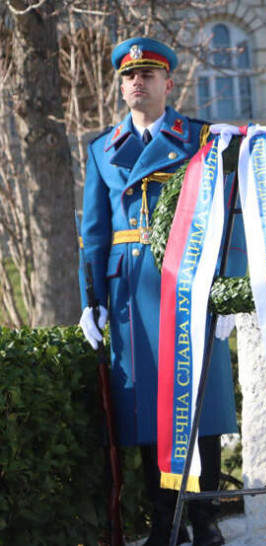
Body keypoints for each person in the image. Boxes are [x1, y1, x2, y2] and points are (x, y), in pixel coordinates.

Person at [78, 37, 242, 546]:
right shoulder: (103, 149)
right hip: (131, 290)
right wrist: (91, 300)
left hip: (190, 281)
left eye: (147, 74)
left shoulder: (200, 138)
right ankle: (165, 521)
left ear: (168, 84)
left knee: (201, 404)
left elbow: (227, 215)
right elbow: (95, 231)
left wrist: (229, 291)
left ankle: (205, 519)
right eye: (129, 76)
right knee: (148, 409)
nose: (137, 82)